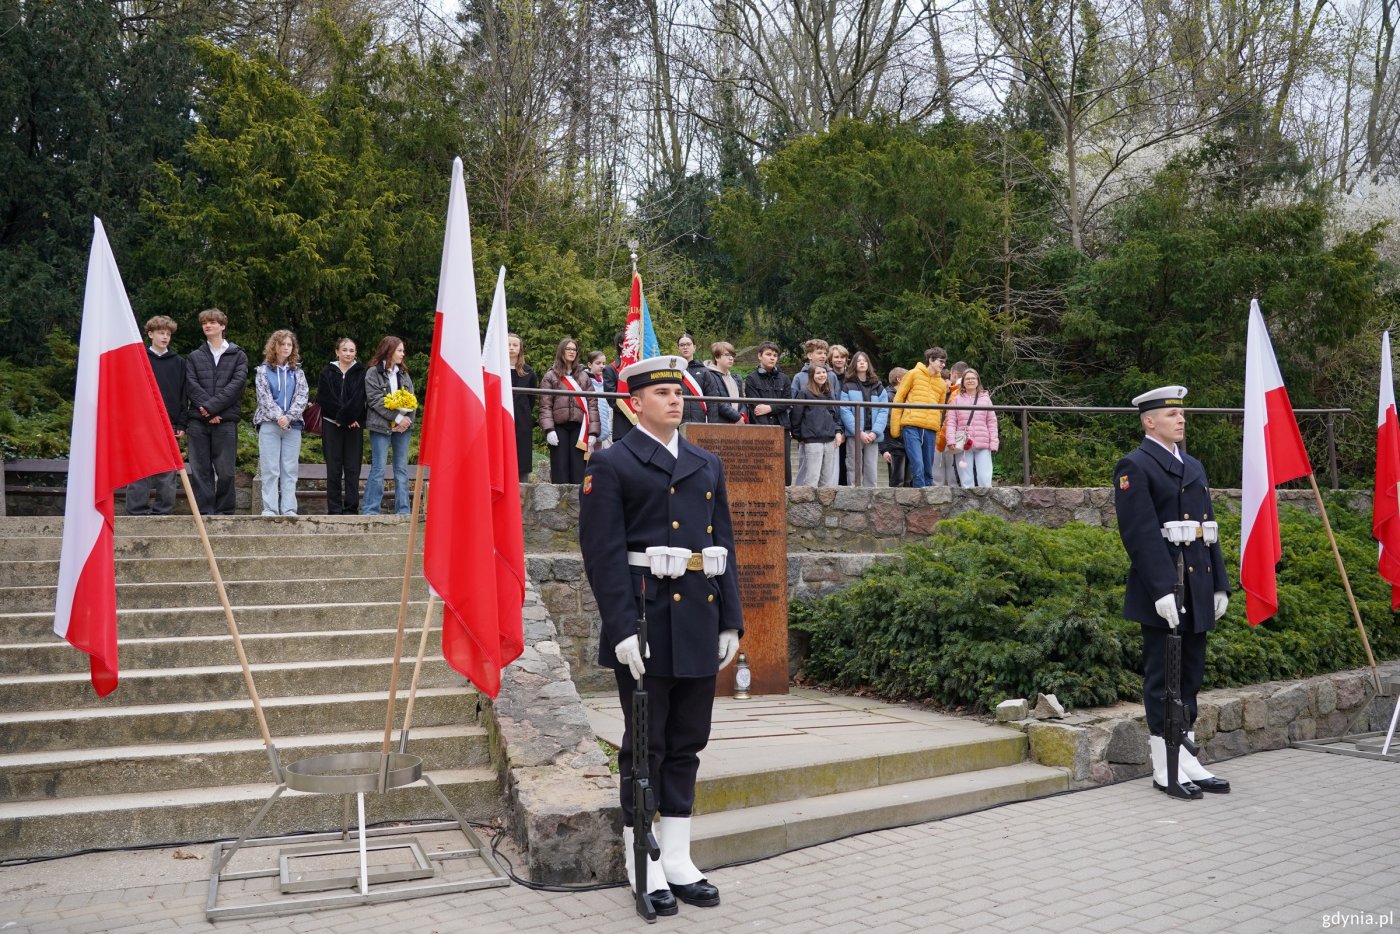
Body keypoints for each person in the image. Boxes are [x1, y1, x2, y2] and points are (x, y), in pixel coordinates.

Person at [578, 354, 743, 913]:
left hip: (698, 617)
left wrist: (731, 619)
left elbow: (724, 546)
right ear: (635, 403)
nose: (675, 400)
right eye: (662, 393)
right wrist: (621, 627)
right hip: (646, 623)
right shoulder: (612, 464)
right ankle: (642, 861)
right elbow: (602, 556)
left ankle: (676, 856)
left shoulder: (706, 463)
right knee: (645, 745)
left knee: (688, 741)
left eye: (679, 393)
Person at [1113, 385, 1231, 800]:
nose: (1180, 419)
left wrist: (1219, 583)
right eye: (1171, 414)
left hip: (1196, 584)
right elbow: (1140, 534)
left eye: (1181, 414)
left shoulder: (1193, 465)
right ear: (1149, 422)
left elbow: (1208, 529)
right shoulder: (1135, 466)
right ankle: (1165, 766)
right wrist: (1161, 589)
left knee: (1191, 675)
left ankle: (1187, 757)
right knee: (1164, 677)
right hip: (1165, 588)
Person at [184, 308, 248, 515]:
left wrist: (211, 408)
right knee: (200, 470)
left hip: (226, 421)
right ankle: (205, 512)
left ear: (222, 326)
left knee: (226, 471)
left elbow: (237, 385)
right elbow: (191, 385)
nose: (207, 326)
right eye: (204, 323)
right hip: (198, 421)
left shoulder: (238, 355)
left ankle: (225, 511)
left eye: (212, 322)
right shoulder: (194, 356)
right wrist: (208, 412)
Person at [125, 315, 187, 515]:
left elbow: (183, 395)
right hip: (141, 423)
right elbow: (129, 393)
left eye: (168, 334)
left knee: (168, 470)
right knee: (139, 467)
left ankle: (164, 510)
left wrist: (181, 424)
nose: (165, 337)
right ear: (150, 334)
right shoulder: (138, 359)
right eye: (161, 333)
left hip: (168, 423)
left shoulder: (178, 362)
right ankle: (136, 510)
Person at [253, 330, 309, 516]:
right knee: (270, 469)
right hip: (270, 424)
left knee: (290, 470)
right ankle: (270, 508)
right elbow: (264, 397)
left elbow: (302, 396)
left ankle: (289, 509)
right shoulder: (263, 371)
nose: (286, 347)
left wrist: (289, 416)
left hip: (293, 426)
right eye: (282, 344)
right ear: (274, 346)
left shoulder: (298, 372)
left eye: (289, 345)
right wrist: (278, 416)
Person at [362, 336, 415, 515]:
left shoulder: (404, 373)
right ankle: (371, 510)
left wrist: (406, 421)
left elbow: (412, 400)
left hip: (403, 429)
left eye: (402, 350)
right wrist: (397, 418)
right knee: (378, 468)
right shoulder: (373, 373)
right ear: (389, 351)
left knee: (401, 469)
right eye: (399, 350)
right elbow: (375, 400)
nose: (403, 354)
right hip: (380, 427)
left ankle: (403, 511)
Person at [538, 337, 599, 484]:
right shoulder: (550, 376)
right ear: (562, 351)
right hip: (559, 427)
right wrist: (549, 429)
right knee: (560, 468)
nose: (571, 352)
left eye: (574, 349)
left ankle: (577, 498)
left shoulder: (584, 376)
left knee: (579, 469)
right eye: (568, 349)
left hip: (580, 427)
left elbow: (592, 404)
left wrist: (593, 432)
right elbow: (545, 405)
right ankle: (559, 499)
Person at [317, 337, 366, 514]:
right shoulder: (327, 372)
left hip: (354, 426)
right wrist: (342, 418)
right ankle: (335, 509)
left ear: (356, 353)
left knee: (353, 468)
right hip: (332, 425)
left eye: (351, 350)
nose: (348, 353)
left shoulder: (361, 373)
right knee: (334, 468)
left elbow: (360, 398)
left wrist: (350, 418)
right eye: (344, 350)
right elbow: (325, 398)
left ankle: (351, 508)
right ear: (337, 352)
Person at [889, 347, 947, 488]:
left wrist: (938, 434)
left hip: (930, 429)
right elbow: (899, 399)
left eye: (944, 362)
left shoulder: (942, 383)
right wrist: (895, 427)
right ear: (931, 360)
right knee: (918, 465)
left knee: (928, 469)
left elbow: (940, 411)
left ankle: (926, 496)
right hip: (911, 426)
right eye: (941, 361)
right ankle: (921, 495)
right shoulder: (913, 374)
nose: (943, 364)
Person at [742, 342, 792, 485]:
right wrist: (775, 406)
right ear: (760, 356)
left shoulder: (784, 378)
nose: (772, 358)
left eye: (775, 355)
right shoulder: (751, 379)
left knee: (784, 468)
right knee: (763, 467)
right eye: (768, 354)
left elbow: (788, 401)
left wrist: (770, 407)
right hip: (761, 428)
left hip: (782, 427)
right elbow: (756, 406)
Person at [839, 352, 887, 487]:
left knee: (871, 468)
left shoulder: (878, 386)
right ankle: (854, 494)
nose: (861, 363)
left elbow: (884, 410)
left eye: (864, 361)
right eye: (859, 361)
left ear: (868, 364)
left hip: (872, 434)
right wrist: (858, 431)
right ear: (854, 364)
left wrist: (875, 432)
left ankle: (871, 495)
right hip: (855, 434)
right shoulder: (847, 385)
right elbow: (845, 410)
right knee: (853, 466)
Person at [945, 367, 999, 489]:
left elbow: (992, 422)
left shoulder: (986, 400)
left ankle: (985, 500)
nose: (970, 381)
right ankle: (968, 501)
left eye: (973, 378)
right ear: (963, 382)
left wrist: (994, 442)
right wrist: (951, 440)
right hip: (964, 443)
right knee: (966, 480)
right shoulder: (956, 400)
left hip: (983, 442)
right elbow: (951, 422)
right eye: (967, 378)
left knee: (985, 479)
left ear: (978, 381)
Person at [791, 364, 843, 487]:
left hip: (829, 440)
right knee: (812, 478)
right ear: (811, 375)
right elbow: (796, 416)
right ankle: (808, 500)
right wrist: (799, 436)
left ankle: (825, 501)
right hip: (813, 440)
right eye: (818, 373)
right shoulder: (804, 393)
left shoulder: (828, 393)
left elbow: (834, 415)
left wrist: (837, 431)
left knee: (826, 479)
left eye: (824, 372)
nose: (822, 375)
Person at [509, 333, 538, 482]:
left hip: (521, 420)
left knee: (521, 456)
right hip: (501, 418)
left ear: (520, 348)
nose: (511, 348)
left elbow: (531, 398)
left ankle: (521, 487)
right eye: (508, 345)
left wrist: (522, 411)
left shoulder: (528, 372)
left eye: (515, 345)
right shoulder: (496, 370)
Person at [677, 333, 724, 424]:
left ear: (694, 347)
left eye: (688, 344)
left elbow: (712, 401)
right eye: (682, 345)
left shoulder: (704, 372)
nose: (685, 347)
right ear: (678, 348)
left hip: (700, 421)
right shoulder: (674, 371)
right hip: (678, 421)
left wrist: (712, 424)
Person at [934, 362, 968, 486]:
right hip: (965, 436)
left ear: (953, 374)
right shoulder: (974, 391)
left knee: (943, 469)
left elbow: (949, 419)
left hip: (950, 435)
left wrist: (940, 442)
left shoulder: (955, 392)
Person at [881, 367, 911, 487]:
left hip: (906, 442)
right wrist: (884, 449)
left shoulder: (907, 397)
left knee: (908, 482)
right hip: (894, 444)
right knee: (897, 481)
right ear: (899, 379)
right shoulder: (888, 396)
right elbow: (885, 423)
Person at [604, 329, 634, 443]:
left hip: (643, 424)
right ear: (621, 344)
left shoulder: (640, 366)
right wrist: (632, 410)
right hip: (623, 425)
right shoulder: (610, 369)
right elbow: (611, 399)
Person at [704, 342, 744, 423]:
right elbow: (717, 402)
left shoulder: (736, 379)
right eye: (727, 355)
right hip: (720, 424)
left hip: (737, 423)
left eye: (732, 355)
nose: (731, 358)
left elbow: (743, 402)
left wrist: (743, 416)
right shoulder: (709, 376)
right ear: (717, 357)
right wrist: (737, 417)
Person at [587, 350, 614, 451]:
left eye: (603, 363)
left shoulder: (607, 383)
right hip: (588, 431)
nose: (602, 366)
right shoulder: (584, 381)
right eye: (598, 363)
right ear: (590, 365)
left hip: (604, 431)